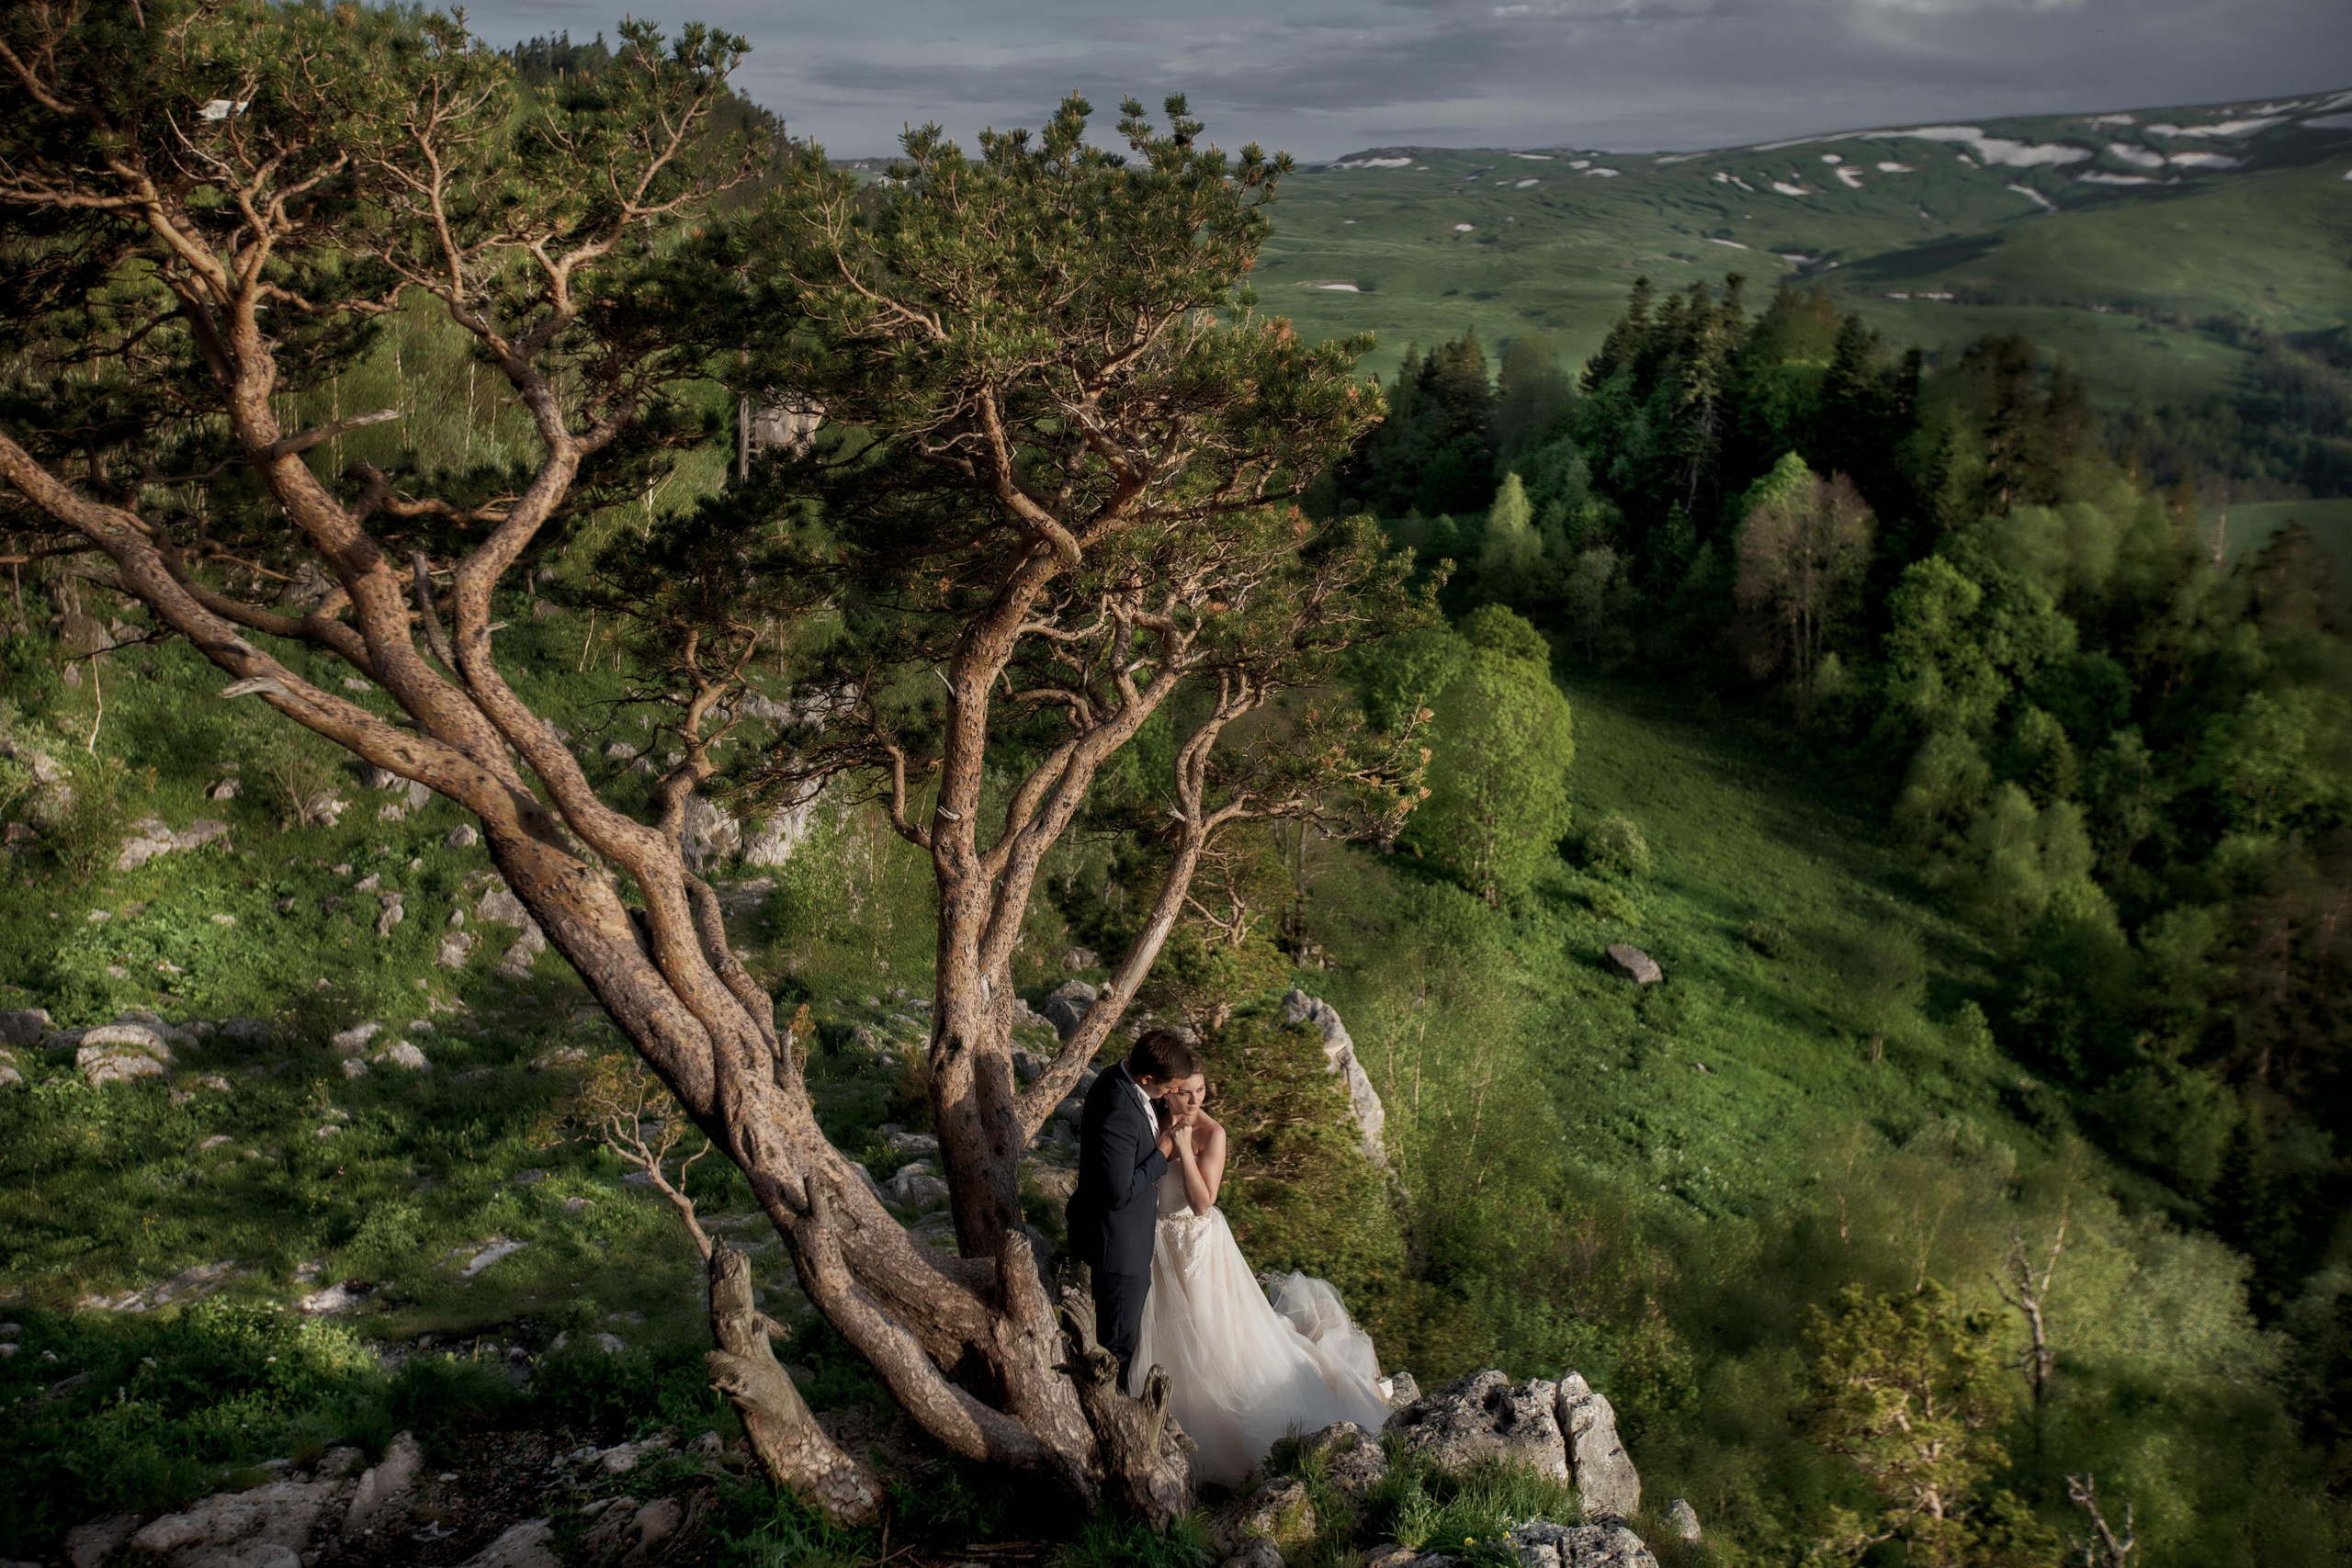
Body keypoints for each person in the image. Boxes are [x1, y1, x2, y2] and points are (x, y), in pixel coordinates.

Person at [1129, 1055, 1394, 1484]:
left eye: (1201, 1090)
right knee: (1164, 1334)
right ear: (1168, 1089)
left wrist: (1181, 1148)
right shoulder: (1150, 1122)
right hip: (1158, 1244)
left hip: (1197, 1245)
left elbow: (1203, 1202)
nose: (1195, 1099)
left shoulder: (1212, 1133)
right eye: (1185, 1090)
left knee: (1212, 1334)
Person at [1065, 1029, 1198, 1382]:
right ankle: (1107, 1414)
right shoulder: (1119, 1110)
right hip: (1119, 1247)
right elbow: (1118, 1193)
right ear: (1147, 1077)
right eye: (1169, 1087)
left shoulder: (1120, 1076)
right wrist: (1163, 1154)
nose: (1172, 1094)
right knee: (1118, 1349)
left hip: (1127, 1237)